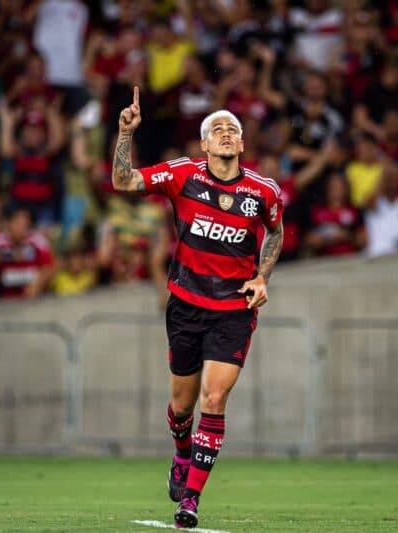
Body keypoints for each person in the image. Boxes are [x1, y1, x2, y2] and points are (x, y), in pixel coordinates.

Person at [111, 88, 284, 529]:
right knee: (181, 406)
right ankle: (182, 451)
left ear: (241, 143)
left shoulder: (263, 191)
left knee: (215, 397)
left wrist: (262, 276)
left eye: (233, 129)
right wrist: (125, 134)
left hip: (234, 308)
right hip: (186, 303)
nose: (226, 133)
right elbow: (124, 181)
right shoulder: (182, 174)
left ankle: (190, 499)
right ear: (204, 143)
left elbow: (275, 232)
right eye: (216, 129)